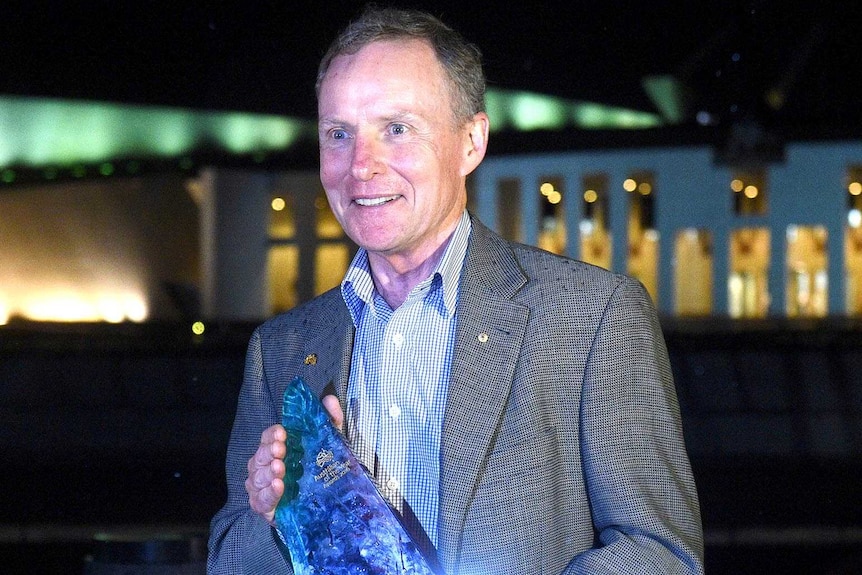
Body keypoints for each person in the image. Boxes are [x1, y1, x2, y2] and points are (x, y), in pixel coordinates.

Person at [208, 6, 704, 574]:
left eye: (397, 129)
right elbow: (230, 561)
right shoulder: (281, 350)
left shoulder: (592, 317)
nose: (361, 167)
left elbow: (662, 554)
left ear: (471, 142)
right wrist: (273, 518)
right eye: (338, 135)